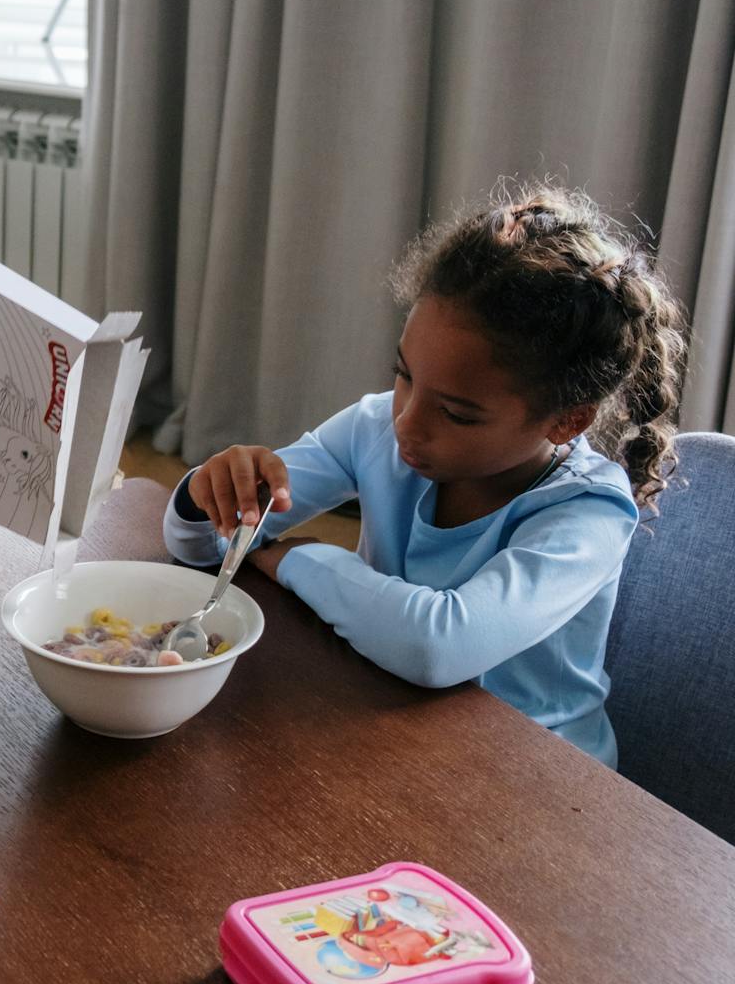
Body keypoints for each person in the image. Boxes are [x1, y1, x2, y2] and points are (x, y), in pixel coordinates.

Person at [164, 183, 687, 766]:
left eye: (457, 413)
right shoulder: (376, 428)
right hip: (397, 720)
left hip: (539, 776)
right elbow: (201, 544)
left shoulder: (590, 514)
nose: (406, 424)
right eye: (404, 375)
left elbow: (437, 646)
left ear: (567, 421)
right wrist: (210, 492)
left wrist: (292, 556)